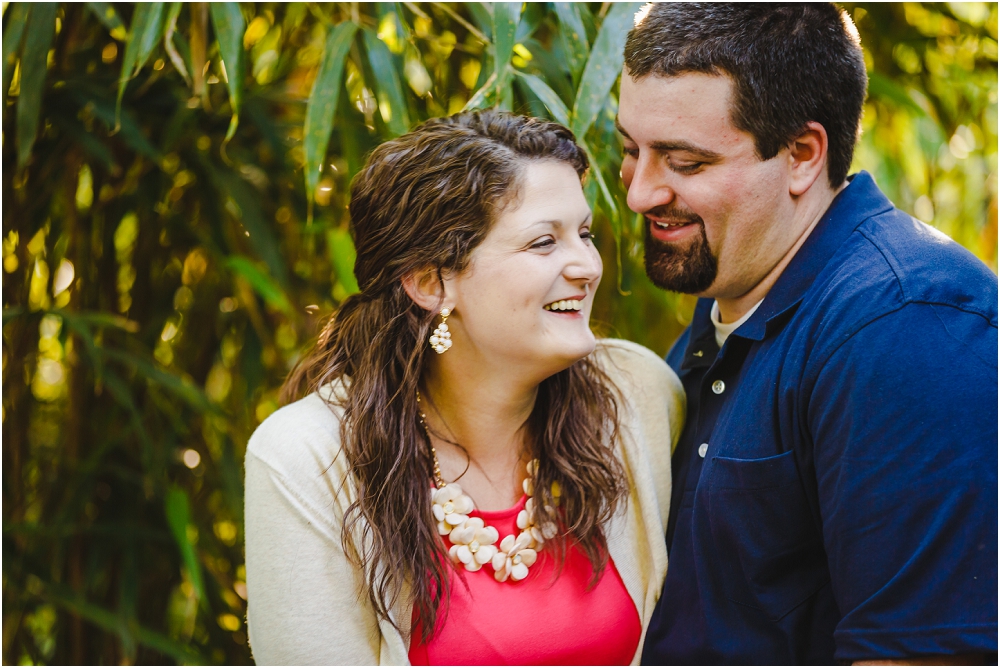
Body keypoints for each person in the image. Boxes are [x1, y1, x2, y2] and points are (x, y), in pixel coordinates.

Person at [616, 3, 998, 665]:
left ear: (800, 155)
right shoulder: (720, 319)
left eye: (683, 162)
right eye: (630, 151)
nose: (640, 193)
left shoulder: (905, 324)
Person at [243, 110, 685, 665]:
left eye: (586, 234)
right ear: (431, 282)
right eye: (544, 242)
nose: (588, 266)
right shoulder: (308, 458)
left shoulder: (638, 398)